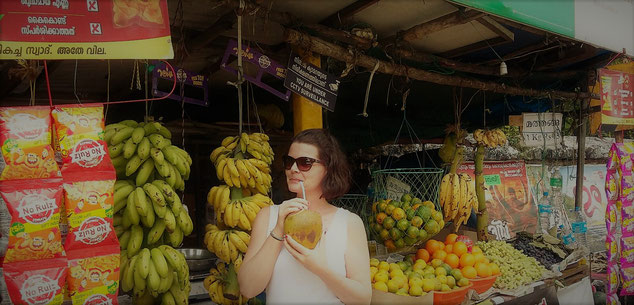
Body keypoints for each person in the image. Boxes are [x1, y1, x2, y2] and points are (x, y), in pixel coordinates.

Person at [238, 129, 372, 305]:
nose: (293, 169)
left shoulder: (349, 223)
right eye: (289, 161)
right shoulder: (268, 216)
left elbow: (362, 300)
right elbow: (248, 288)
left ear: (327, 168)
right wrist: (278, 229)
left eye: (305, 163)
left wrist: (319, 268)